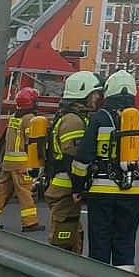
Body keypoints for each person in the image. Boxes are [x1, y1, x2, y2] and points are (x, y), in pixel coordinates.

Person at [74, 70, 139, 270]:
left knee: (100, 241)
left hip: (100, 193)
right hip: (131, 193)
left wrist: (77, 187)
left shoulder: (99, 118)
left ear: (108, 92)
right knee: (125, 241)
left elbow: (83, 158)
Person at [43, 71, 99, 253]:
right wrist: (78, 187)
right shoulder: (74, 121)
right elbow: (72, 157)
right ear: (83, 94)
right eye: (94, 94)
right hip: (65, 188)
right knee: (63, 240)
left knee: (74, 237)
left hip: (63, 187)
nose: (97, 98)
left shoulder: (71, 117)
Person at [0, 87, 42, 230]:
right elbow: (30, 142)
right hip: (21, 163)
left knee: (1, 191)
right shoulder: (29, 119)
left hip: (8, 162)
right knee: (25, 192)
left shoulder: (14, 117)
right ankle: (30, 222)